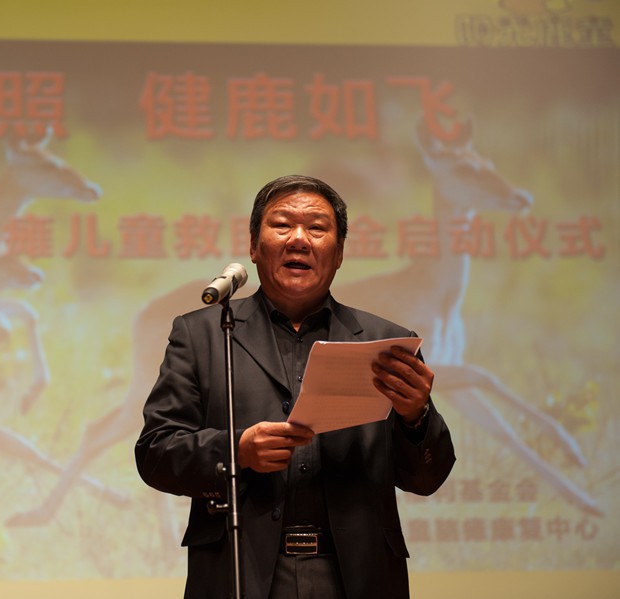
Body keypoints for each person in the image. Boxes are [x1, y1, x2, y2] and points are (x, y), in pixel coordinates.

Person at [135, 175, 456, 599]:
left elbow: (427, 477)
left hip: (355, 576)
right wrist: (237, 450)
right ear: (253, 246)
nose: (299, 240)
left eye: (318, 229)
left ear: (339, 253)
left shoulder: (386, 343)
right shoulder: (202, 335)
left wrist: (417, 418)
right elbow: (155, 452)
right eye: (282, 225)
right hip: (241, 573)